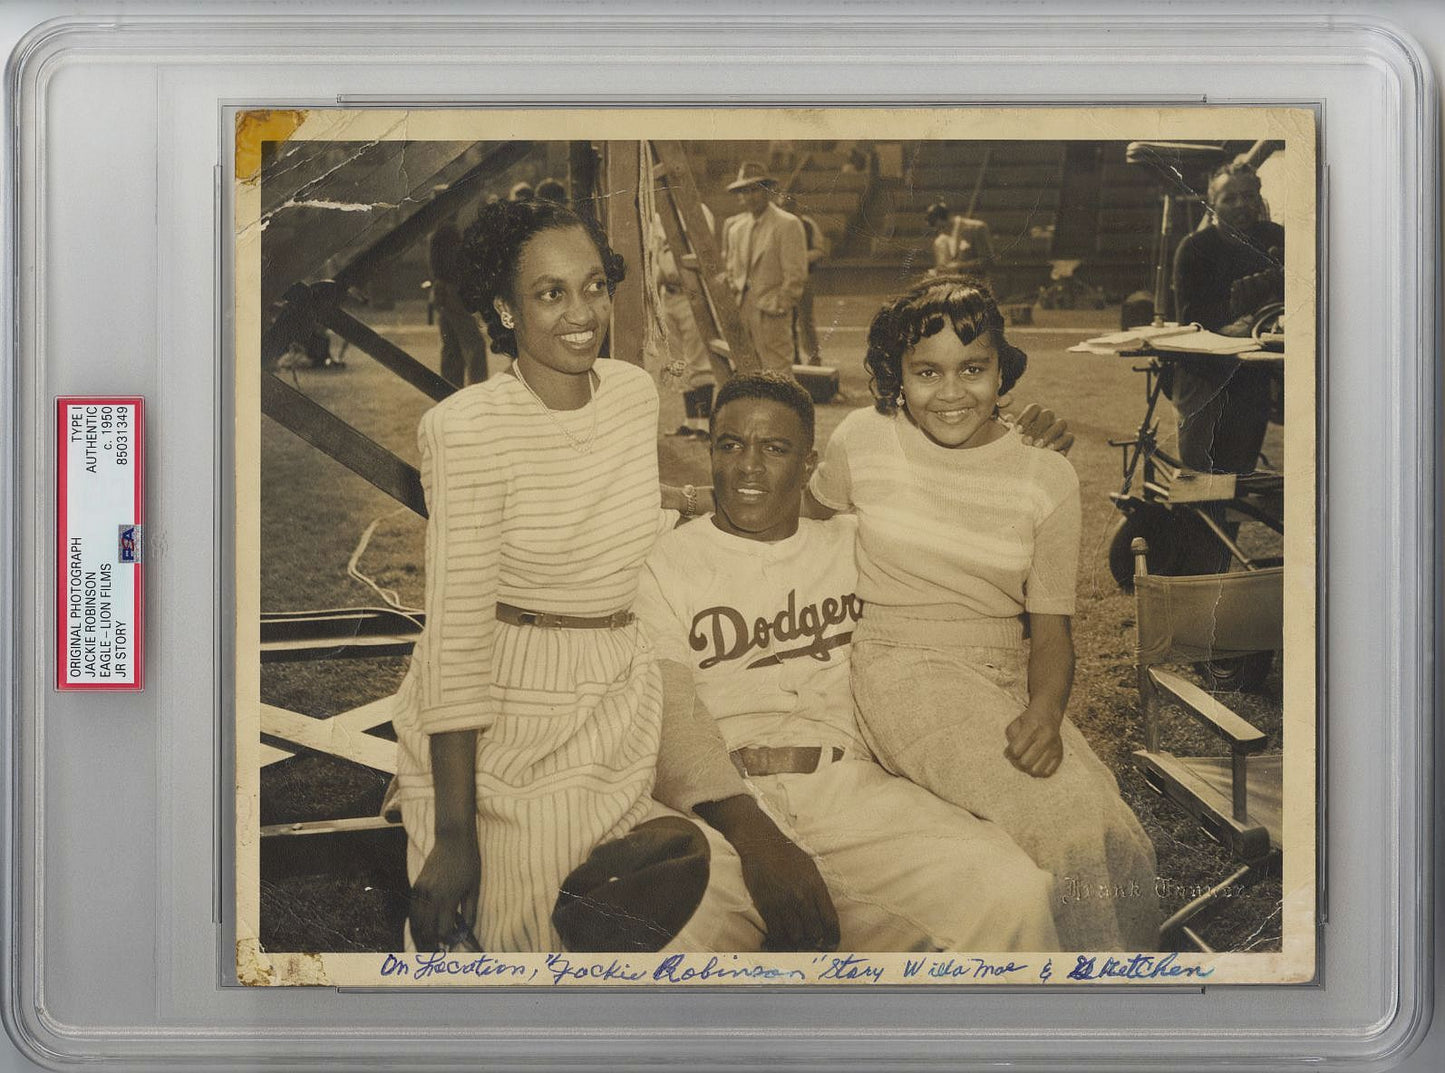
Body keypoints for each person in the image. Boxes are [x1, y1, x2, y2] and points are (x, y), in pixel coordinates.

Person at [390, 198, 784, 954]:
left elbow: (621, 514)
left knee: (683, 915)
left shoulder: (633, 394)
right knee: (515, 936)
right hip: (510, 708)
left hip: (616, 698)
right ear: (504, 309)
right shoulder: (466, 428)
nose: (582, 312)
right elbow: (457, 633)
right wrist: (453, 833)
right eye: (550, 293)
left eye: (594, 285)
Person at [635, 372, 1061, 952]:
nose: (748, 468)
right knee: (666, 937)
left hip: (855, 793)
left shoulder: (860, 541)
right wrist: (757, 839)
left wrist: (1017, 454)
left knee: (1010, 893)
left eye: (775, 449)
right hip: (720, 809)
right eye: (729, 445)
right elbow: (668, 713)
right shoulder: (664, 562)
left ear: (810, 464)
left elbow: (973, 529)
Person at [805, 276, 1161, 951]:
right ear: (895, 375)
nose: (950, 391)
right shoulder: (861, 438)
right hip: (900, 669)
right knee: (1064, 821)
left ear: (1002, 370)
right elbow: (799, 515)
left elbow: (1053, 626)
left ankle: (1127, 1005)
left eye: (972, 369)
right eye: (925, 371)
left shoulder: (1045, 475)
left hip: (1000, 673)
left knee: (1117, 831)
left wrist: (1044, 711)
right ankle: (1095, 1015)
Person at [1171, 162, 1284, 477]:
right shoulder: (1194, 249)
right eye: (1229, 198)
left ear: (1260, 200)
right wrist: (1240, 310)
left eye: (1248, 197)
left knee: (1238, 478)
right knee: (1202, 487)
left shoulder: (1276, 238)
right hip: (1204, 379)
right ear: (1212, 202)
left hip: (1253, 378)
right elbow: (1190, 320)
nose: (1240, 206)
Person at [721, 162, 809, 373]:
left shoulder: (787, 224)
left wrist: (780, 304)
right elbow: (733, 271)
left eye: (755, 190)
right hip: (744, 312)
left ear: (768, 191)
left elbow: (796, 274)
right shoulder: (736, 229)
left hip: (772, 312)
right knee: (747, 374)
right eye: (745, 191)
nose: (750, 197)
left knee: (779, 375)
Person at [653, 205, 718, 438]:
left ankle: (704, 424)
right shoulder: (658, 215)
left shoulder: (698, 210)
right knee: (679, 361)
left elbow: (701, 250)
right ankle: (690, 421)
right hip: (669, 295)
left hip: (692, 293)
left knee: (698, 360)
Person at [427, 209, 489, 387]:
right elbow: (455, 265)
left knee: (452, 348)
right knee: (474, 346)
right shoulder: (449, 231)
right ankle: (479, 392)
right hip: (453, 290)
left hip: (443, 290)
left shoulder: (438, 232)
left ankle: (449, 391)